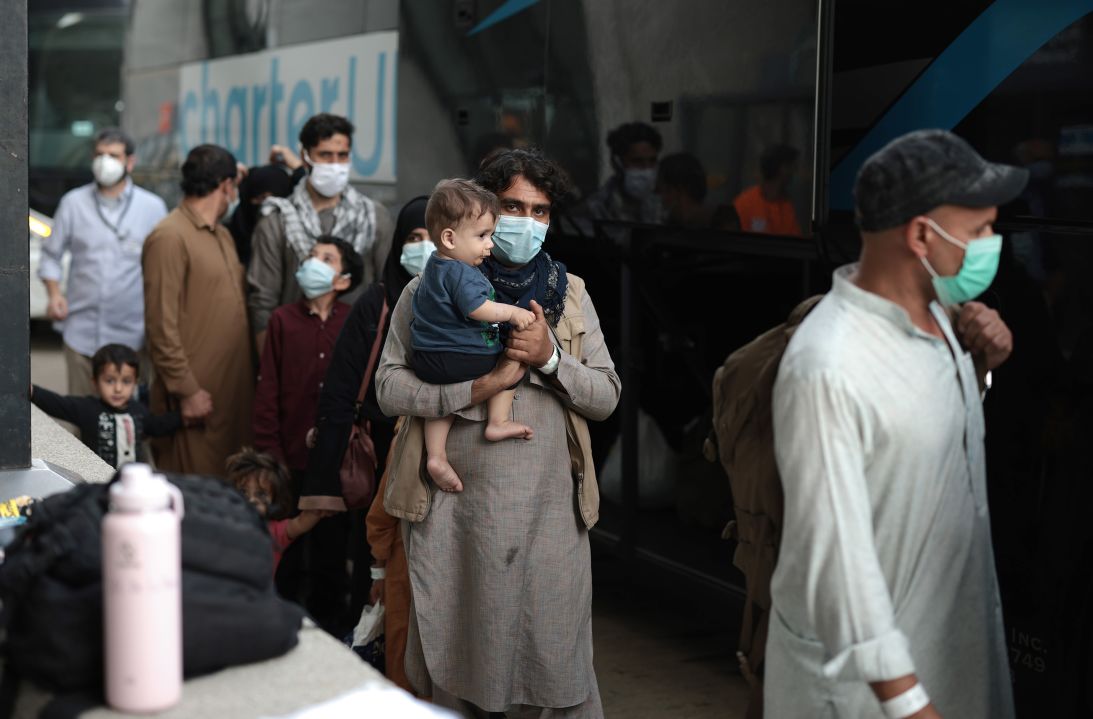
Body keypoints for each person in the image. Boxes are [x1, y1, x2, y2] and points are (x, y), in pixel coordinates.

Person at [765, 129, 1026, 718]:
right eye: (980, 229)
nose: (993, 243)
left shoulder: (941, 319)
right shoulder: (827, 366)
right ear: (919, 235)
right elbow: (836, 558)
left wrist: (981, 371)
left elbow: (920, 442)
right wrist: (907, 702)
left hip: (950, 657)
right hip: (874, 694)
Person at [376, 147, 621, 717]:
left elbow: (607, 396)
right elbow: (389, 389)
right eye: (512, 206)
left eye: (540, 212)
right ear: (482, 211)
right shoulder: (428, 290)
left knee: (554, 668)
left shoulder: (571, 293)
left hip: (549, 523)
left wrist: (552, 357)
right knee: (461, 673)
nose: (526, 223)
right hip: (457, 522)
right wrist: (476, 392)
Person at [300, 196, 432, 639]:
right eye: (414, 239)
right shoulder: (376, 303)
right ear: (397, 246)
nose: (424, 248)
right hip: (377, 452)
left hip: (438, 456)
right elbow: (339, 392)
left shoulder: (469, 303)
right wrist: (323, 484)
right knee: (373, 558)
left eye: (434, 238)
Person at [412, 179, 536, 492]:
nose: (490, 244)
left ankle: (436, 456)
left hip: (428, 358)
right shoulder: (461, 271)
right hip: (461, 355)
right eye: (482, 236)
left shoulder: (434, 266)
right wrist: (513, 312)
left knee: (443, 403)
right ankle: (497, 422)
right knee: (511, 366)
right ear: (449, 238)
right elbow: (478, 309)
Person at [142, 144, 254, 477]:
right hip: (195, 404)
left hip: (231, 401)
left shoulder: (222, 234)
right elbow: (161, 326)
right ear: (225, 185)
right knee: (192, 502)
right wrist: (187, 390)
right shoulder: (169, 236)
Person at [38, 127, 168, 397]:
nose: (104, 162)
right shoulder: (73, 203)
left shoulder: (152, 208)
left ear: (130, 161)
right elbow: (51, 254)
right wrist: (53, 294)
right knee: (81, 417)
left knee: (128, 421)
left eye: (113, 155)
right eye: (99, 154)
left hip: (132, 335)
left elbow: (163, 269)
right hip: (81, 334)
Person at [248, 113, 394, 351]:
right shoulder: (277, 221)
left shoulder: (373, 217)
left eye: (342, 156)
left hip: (357, 352)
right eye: (325, 155)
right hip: (295, 354)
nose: (335, 165)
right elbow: (262, 303)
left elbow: (388, 290)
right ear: (305, 157)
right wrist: (270, 369)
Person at [252, 235, 363, 478]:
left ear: (343, 282)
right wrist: (271, 453)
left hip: (342, 457)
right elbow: (267, 389)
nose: (314, 262)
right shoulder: (282, 320)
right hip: (291, 455)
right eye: (311, 256)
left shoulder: (353, 321)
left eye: (327, 259)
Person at [30, 343, 181, 469]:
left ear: (135, 382)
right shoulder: (86, 408)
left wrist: (184, 417)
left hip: (130, 484)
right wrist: (32, 392)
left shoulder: (139, 410)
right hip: (96, 482)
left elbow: (158, 425)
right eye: (110, 381)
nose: (118, 389)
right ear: (95, 382)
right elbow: (57, 403)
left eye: (126, 381)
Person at [226, 448, 332, 572]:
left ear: (275, 501)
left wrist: (320, 507)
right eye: (243, 491)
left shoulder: (275, 532)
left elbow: (302, 522)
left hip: (260, 591)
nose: (251, 500)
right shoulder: (225, 525)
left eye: (261, 495)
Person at [582, 122, 663, 224]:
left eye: (652, 161)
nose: (647, 169)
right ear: (617, 163)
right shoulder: (596, 208)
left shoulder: (662, 204)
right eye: (637, 161)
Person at [225, 164, 295, 266]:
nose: (267, 206)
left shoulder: (298, 235)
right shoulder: (229, 234)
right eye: (259, 198)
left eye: (273, 199)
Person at [656, 151, 740, 230]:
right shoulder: (673, 222)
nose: (662, 198)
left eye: (663, 190)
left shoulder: (724, 220)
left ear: (680, 189)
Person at [734, 144, 802, 236]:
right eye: (792, 166)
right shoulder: (744, 203)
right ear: (782, 169)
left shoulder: (787, 205)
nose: (795, 171)